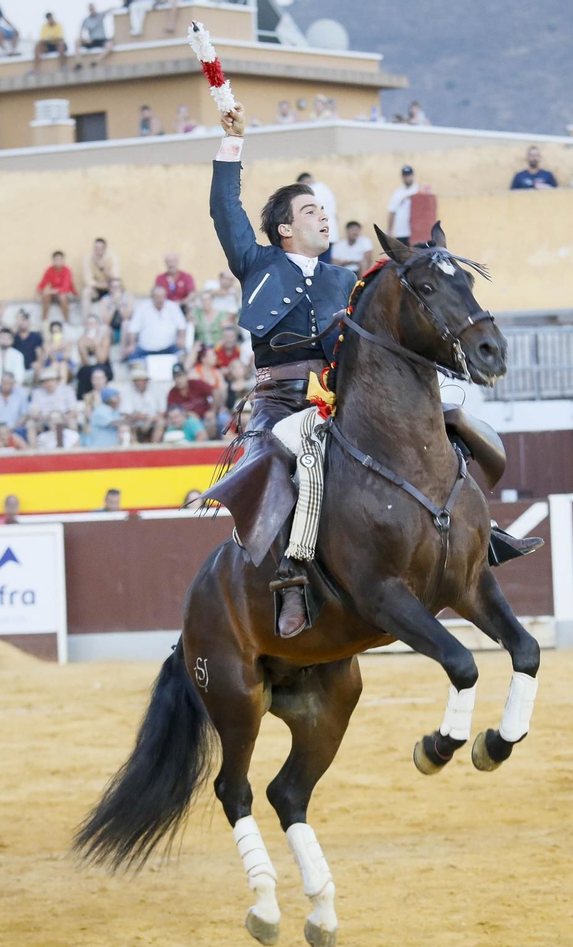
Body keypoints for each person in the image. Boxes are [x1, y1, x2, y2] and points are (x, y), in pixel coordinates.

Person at [212, 101, 368, 635]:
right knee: (285, 462)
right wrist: (232, 143)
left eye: (324, 210)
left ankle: (473, 534)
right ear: (284, 228)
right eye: (310, 211)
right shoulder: (257, 264)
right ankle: (290, 578)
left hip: (336, 400)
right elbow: (224, 210)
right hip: (277, 403)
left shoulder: (345, 282)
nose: (323, 216)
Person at [124, 286, 188, 361]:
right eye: (157, 297)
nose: (160, 300)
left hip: (169, 348)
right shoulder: (142, 308)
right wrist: (132, 344)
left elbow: (181, 326)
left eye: (162, 297)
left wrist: (181, 338)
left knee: (183, 357)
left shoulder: (173, 307)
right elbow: (133, 329)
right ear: (151, 297)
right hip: (145, 350)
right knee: (133, 359)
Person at [296, 172, 338, 262]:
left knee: (317, 264)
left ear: (302, 182)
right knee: (325, 263)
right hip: (328, 232)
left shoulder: (311, 192)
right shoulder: (325, 189)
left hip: (317, 232)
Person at [81, 237, 120, 316]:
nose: (98, 251)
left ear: (105, 248)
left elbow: (115, 279)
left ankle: (116, 321)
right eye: (96, 248)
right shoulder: (88, 258)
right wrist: (102, 285)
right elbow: (88, 280)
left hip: (110, 288)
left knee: (117, 292)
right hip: (96, 289)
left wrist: (103, 269)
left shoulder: (112, 257)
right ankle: (85, 323)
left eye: (100, 248)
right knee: (86, 292)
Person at [37, 250, 76, 324]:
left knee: (62, 296)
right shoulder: (49, 270)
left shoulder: (67, 270)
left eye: (60, 259)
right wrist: (40, 292)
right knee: (46, 296)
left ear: (63, 260)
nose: (58, 262)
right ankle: (44, 320)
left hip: (68, 294)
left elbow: (65, 288)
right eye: (56, 260)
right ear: (53, 261)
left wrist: (50, 291)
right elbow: (41, 285)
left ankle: (66, 321)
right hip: (55, 294)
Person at [387, 164, 423, 241]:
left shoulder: (419, 190)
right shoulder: (397, 192)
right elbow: (392, 212)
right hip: (401, 232)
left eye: (408, 175)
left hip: (416, 232)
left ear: (412, 175)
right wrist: (389, 230)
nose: (407, 178)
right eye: (405, 176)